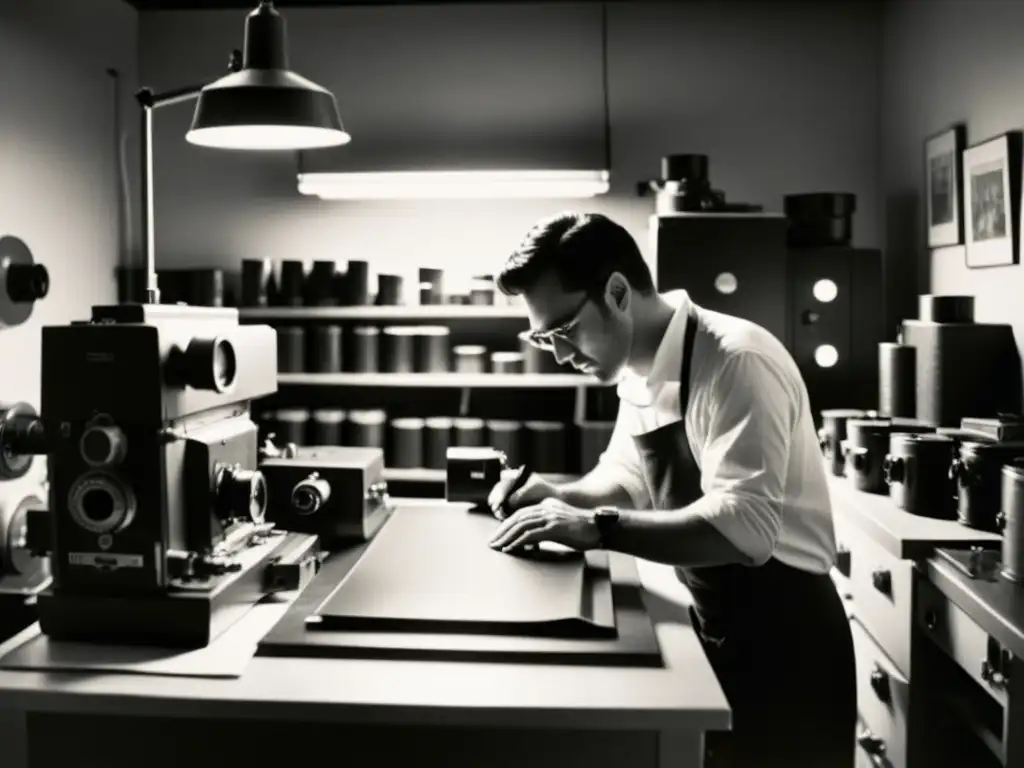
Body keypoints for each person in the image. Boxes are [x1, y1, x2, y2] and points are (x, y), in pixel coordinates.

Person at [486, 211, 855, 768]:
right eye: (542, 338)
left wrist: (597, 528)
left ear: (616, 292)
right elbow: (628, 478)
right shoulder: (636, 365)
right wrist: (555, 499)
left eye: (563, 331)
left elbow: (744, 531)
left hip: (789, 641)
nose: (559, 355)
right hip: (720, 622)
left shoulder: (736, 360)